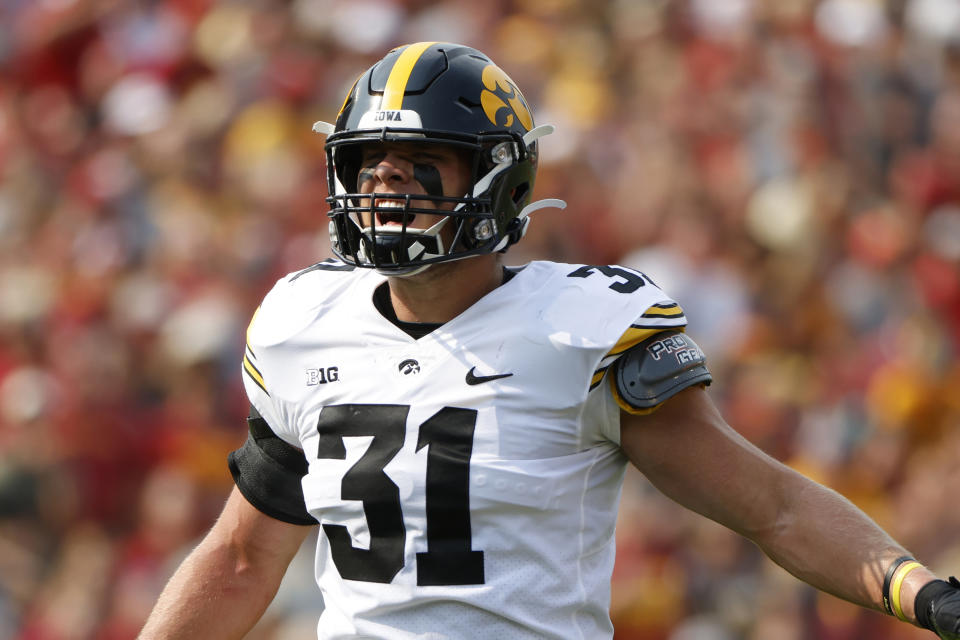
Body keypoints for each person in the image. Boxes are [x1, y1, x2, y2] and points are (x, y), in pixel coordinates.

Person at [138, 42, 960, 640]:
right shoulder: (302, 324)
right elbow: (243, 558)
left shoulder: (575, 331)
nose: (385, 185)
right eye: (369, 163)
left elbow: (773, 508)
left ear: (497, 180)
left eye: (419, 161)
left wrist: (916, 591)